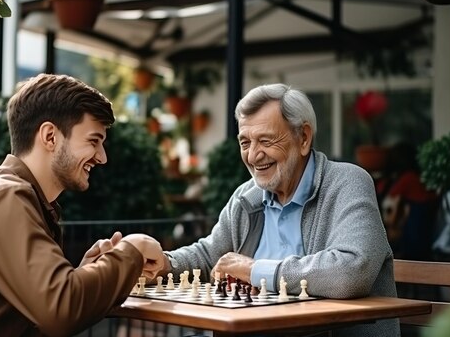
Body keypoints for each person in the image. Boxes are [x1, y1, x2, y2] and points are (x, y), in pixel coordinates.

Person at [0, 74, 166, 337]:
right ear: (50, 136)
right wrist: (132, 250)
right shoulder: (5, 199)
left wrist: (84, 274)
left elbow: (46, 303)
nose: (102, 157)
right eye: (93, 141)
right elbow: (61, 312)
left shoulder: (2, 193)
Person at [163, 84, 399, 337]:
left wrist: (255, 271)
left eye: (266, 140)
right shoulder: (247, 196)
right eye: (245, 142)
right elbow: (210, 256)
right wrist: (164, 262)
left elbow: (352, 271)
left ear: (304, 138)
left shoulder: (348, 183)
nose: (253, 156)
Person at [376, 141, 439, 260]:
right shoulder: (417, 178)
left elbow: (388, 198)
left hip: (414, 235)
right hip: (424, 234)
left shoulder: (408, 179)